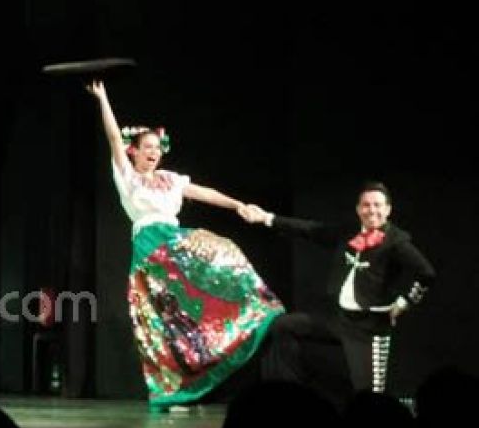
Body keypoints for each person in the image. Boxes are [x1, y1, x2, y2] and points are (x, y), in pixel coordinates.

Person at [85, 80, 284, 408]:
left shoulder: (172, 179)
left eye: (157, 147)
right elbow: (112, 138)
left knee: (225, 251)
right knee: (165, 325)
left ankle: (253, 306)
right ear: (133, 150)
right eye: (146, 147)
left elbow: (205, 192)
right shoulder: (127, 177)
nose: (153, 152)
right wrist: (104, 99)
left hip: (176, 243)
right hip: (151, 249)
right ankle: (174, 390)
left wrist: (237, 204)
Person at [244, 182, 435, 397]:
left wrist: (404, 303)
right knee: (283, 326)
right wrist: (266, 218)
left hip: (369, 328)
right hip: (338, 320)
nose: (372, 210)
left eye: (378, 205)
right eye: (366, 205)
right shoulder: (348, 233)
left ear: (388, 209)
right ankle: (289, 397)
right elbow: (310, 229)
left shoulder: (397, 242)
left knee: (369, 396)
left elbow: (426, 273)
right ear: (358, 209)